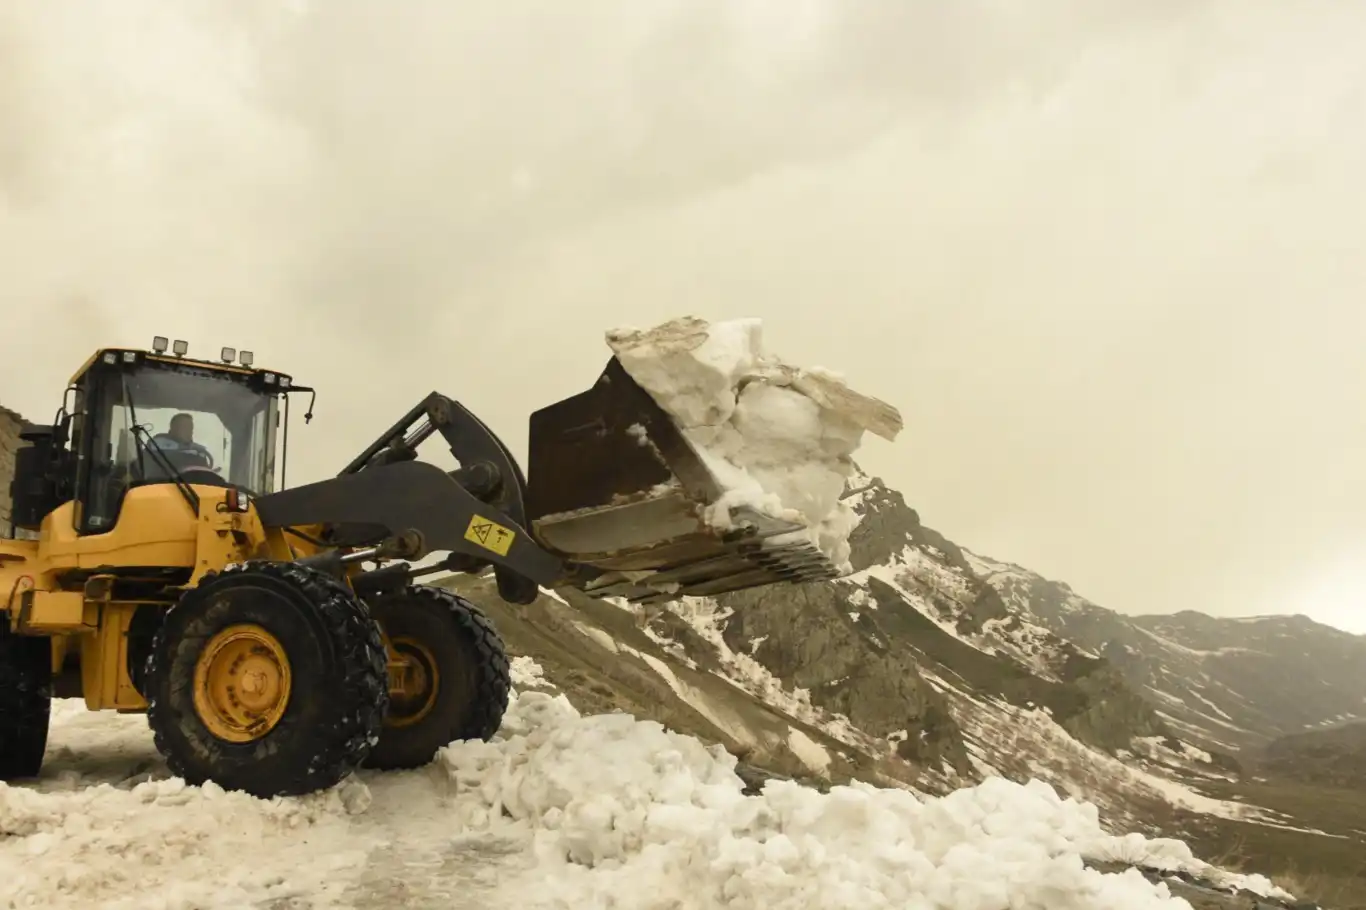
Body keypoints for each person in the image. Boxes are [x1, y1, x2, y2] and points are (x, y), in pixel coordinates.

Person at [150, 413, 215, 470]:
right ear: (173, 428)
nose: (189, 432)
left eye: (191, 428)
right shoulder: (156, 446)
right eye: (185, 428)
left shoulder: (199, 452)